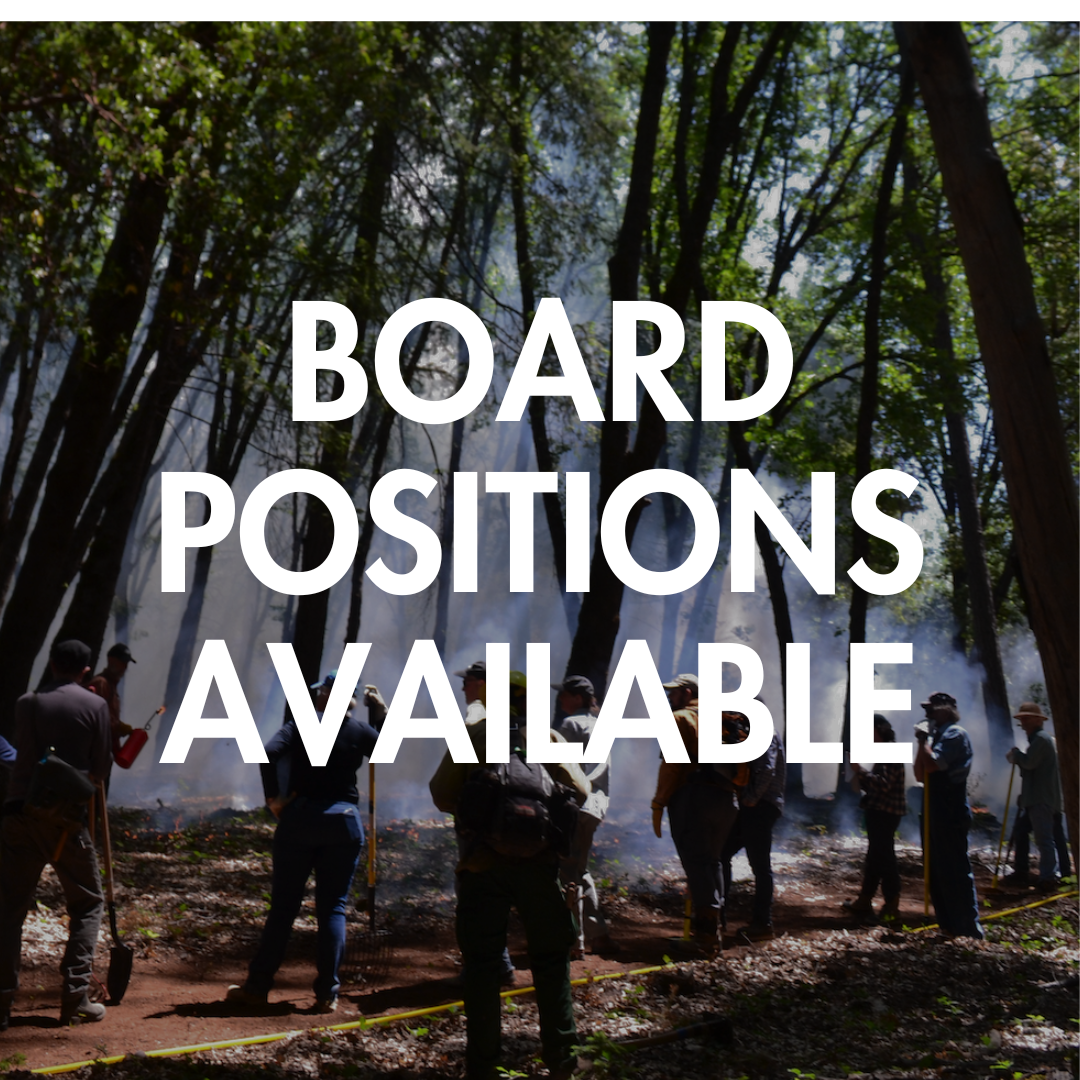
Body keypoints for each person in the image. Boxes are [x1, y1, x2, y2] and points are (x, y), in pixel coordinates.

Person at [430, 671, 589, 1080]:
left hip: (482, 867)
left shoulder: (475, 736)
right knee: (552, 962)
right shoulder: (547, 738)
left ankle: (484, 1067)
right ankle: (563, 1061)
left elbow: (441, 793)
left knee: (482, 967)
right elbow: (583, 791)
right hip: (539, 869)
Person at [225, 669, 379, 1013]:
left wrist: (273, 799)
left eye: (320, 692)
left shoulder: (302, 724)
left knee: (283, 907)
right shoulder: (359, 730)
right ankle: (327, 993)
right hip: (344, 823)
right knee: (333, 908)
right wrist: (380, 715)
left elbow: (267, 752)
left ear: (326, 694)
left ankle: (258, 986)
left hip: (301, 821)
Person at [0, 639, 112, 1029]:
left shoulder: (26, 703)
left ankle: (0, 1004)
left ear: (50, 663)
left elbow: (25, 755)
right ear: (85, 671)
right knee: (87, 904)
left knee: (9, 909)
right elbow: (100, 768)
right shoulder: (96, 705)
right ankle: (75, 997)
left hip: (20, 815)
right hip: (66, 820)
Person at [651, 674, 740, 943]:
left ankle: (704, 938)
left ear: (688, 693)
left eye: (674, 693)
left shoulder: (681, 719)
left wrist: (659, 803)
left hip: (694, 798)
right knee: (713, 861)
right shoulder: (723, 720)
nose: (669, 698)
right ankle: (714, 930)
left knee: (697, 863)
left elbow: (671, 766)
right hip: (727, 799)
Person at [552, 675, 615, 958]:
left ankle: (572, 941)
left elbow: (560, 769)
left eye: (565, 694)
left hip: (574, 806)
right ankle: (598, 935)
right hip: (596, 806)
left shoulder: (568, 725)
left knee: (567, 873)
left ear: (578, 698)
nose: (560, 699)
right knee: (579, 868)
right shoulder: (601, 725)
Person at [913, 690, 983, 939]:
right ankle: (947, 926)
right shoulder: (935, 736)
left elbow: (933, 765)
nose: (927, 713)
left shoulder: (955, 734)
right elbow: (919, 774)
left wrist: (923, 742)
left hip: (950, 810)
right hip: (933, 809)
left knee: (954, 869)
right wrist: (922, 741)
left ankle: (968, 929)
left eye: (931, 708)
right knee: (935, 870)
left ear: (946, 709)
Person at [721, 710, 786, 943]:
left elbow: (767, 769)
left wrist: (749, 798)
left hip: (761, 806)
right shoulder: (754, 733)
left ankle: (763, 923)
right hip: (755, 805)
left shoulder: (765, 733)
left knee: (760, 866)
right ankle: (719, 916)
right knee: (723, 854)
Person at [846, 714, 906, 922]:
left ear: (879, 730)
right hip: (880, 811)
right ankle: (865, 899)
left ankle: (892, 903)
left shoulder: (889, 751)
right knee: (875, 857)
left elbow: (884, 784)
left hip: (885, 813)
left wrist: (859, 770)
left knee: (884, 858)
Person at [1006, 701, 1063, 891]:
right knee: (1022, 832)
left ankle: (1048, 878)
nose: (1023, 721)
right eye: (1022, 718)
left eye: (1027, 718)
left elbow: (1029, 764)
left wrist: (1017, 755)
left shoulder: (1041, 740)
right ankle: (1021, 870)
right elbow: (1032, 773)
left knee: (1044, 839)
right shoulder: (1037, 740)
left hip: (1042, 800)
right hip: (1034, 798)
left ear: (1038, 720)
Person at [84, 643, 136, 775]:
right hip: (94, 752)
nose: (125, 667)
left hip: (105, 752)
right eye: (122, 662)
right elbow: (96, 718)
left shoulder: (111, 685)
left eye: (126, 664)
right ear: (111, 661)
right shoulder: (101, 684)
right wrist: (118, 727)